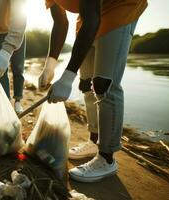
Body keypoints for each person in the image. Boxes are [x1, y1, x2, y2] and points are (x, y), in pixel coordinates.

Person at [39, 0, 147, 182]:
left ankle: (107, 158)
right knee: (86, 83)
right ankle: (93, 141)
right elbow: (60, 22)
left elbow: (92, 21)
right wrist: (50, 63)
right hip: (89, 16)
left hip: (120, 8)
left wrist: (66, 78)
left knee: (104, 84)